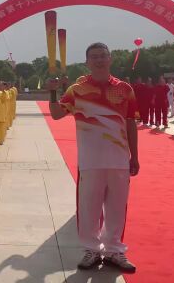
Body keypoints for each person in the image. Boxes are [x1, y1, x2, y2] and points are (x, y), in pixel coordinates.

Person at [48, 42, 139, 273]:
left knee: (117, 207)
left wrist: (134, 156)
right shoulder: (77, 90)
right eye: (94, 57)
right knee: (89, 207)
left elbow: (130, 123)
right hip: (90, 160)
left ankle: (114, 250)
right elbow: (57, 114)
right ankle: (91, 249)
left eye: (103, 56)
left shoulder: (125, 89)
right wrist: (52, 91)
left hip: (118, 158)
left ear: (110, 59)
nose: (99, 60)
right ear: (87, 62)